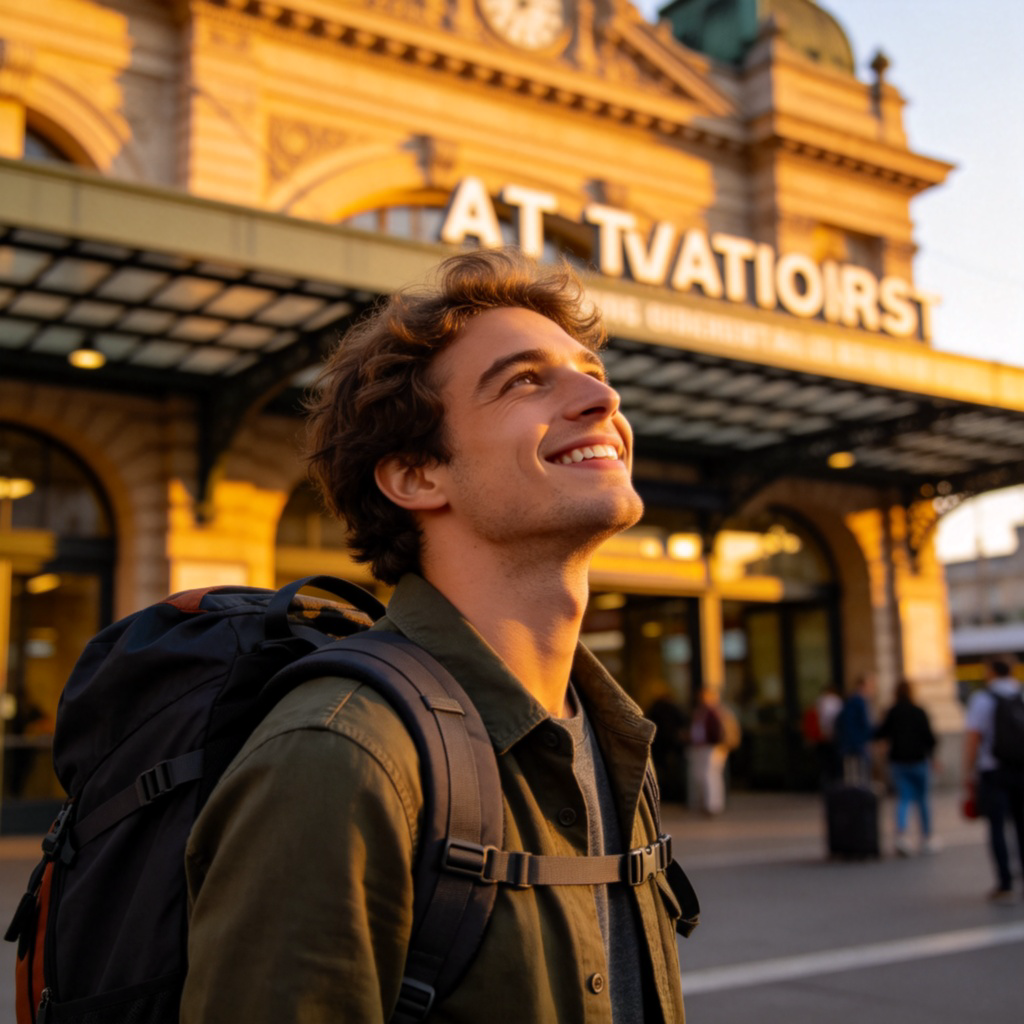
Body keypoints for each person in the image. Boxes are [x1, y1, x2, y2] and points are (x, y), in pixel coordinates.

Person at [181, 248, 688, 1022]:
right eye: (525, 380)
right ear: (418, 476)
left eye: (590, 370)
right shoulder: (343, 753)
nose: (600, 396)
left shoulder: (615, 741)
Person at [964, 657, 1024, 905]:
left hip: (993, 770)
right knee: (1022, 825)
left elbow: (973, 738)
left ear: (991, 673)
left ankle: (1005, 882)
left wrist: (968, 773)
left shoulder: (982, 699)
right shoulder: (1021, 695)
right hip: (1022, 769)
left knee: (997, 826)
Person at [874, 679, 939, 856]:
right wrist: (932, 757)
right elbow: (930, 738)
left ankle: (901, 836)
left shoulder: (892, 712)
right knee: (923, 800)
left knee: (903, 799)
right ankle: (926, 837)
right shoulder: (919, 711)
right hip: (918, 760)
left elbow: (880, 733)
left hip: (898, 761)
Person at [686, 687, 733, 815]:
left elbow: (721, 732)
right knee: (701, 775)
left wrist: (720, 744)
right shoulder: (701, 712)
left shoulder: (717, 712)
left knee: (710, 775)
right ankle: (703, 802)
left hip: (712, 747)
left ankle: (712, 805)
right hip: (700, 747)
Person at [836, 672, 875, 782]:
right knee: (859, 774)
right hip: (857, 743)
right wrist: (866, 739)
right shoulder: (858, 702)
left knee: (853, 774)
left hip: (852, 742)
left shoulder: (852, 701)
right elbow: (864, 723)